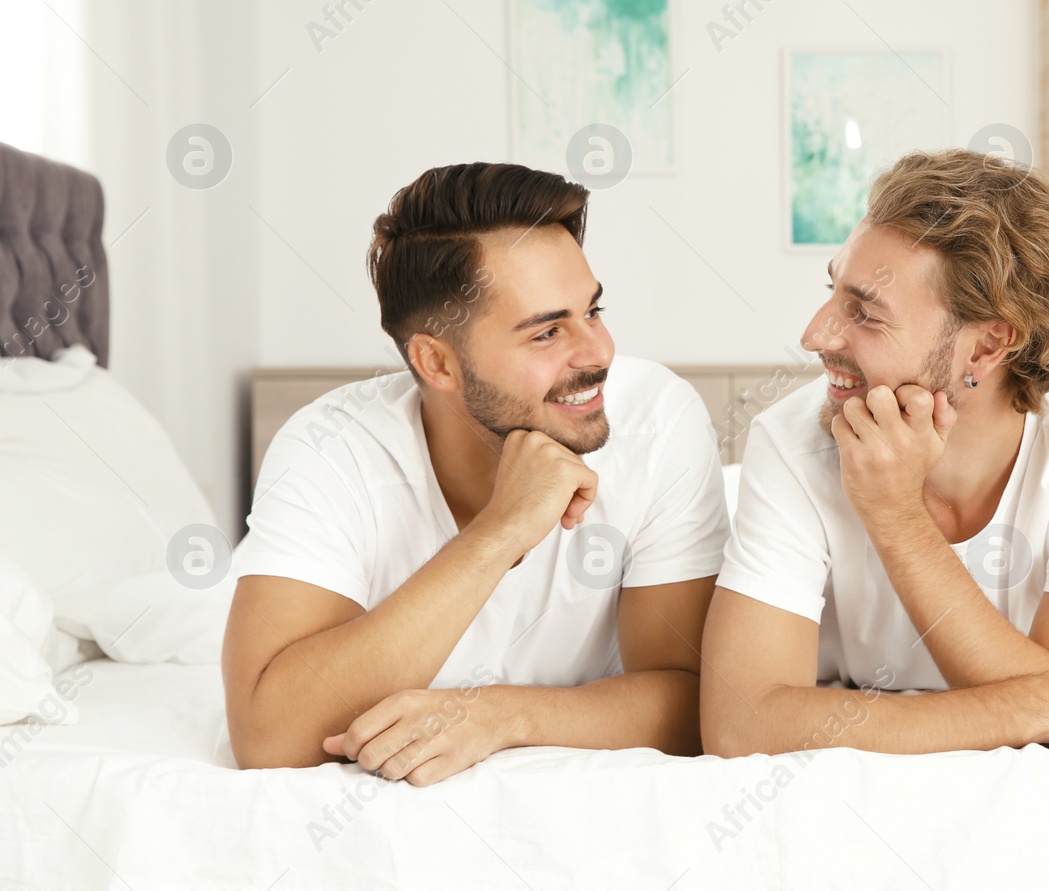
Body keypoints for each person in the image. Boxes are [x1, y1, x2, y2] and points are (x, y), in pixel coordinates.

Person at [223, 162, 728, 784]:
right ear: (436, 362)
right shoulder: (330, 447)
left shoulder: (658, 419)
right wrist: (500, 533)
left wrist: (496, 716)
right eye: (547, 332)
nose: (600, 352)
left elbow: (697, 703)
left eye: (592, 311)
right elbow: (268, 737)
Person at [701, 148, 1049, 756]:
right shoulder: (792, 439)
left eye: (865, 313)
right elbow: (738, 725)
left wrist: (896, 517)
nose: (815, 335)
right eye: (833, 293)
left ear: (988, 347)